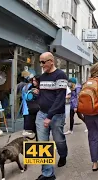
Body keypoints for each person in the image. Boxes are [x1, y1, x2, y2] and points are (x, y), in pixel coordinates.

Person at [35, 52, 68, 180]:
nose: (41, 65)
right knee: (42, 143)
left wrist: (49, 116)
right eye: (40, 62)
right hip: (41, 114)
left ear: (51, 61)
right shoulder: (42, 77)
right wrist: (37, 93)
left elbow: (60, 98)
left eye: (43, 62)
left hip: (56, 115)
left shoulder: (61, 75)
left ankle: (63, 154)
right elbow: (45, 95)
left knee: (58, 140)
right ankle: (48, 173)